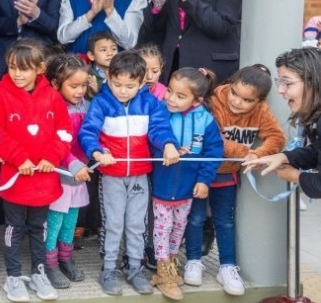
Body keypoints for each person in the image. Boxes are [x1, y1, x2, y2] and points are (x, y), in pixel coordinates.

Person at [79, 51, 178, 296]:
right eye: (117, 84)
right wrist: (97, 152)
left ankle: (135, 268)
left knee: (136, 224)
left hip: (140, 173)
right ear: (107, 78)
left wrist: (167, 144)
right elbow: (88, 132)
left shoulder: (151, 103)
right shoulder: (101, 103)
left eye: (130, 86)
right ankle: (109, 269)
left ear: (142, 82)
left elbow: (160, 128)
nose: (122, 90)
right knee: (113, 223)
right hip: (111, 174)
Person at [0, 39, 71, 302]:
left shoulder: (53, 97)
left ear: (40, 68)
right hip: (15, 178)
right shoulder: (0, 94)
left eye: (24, 68)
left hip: (45, 179)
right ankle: (13, 277)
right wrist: (18, 158)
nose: (17, 74)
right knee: (14, 227)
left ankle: (39, 272)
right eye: (12, 67)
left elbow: (64, 133)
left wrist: (51, 157)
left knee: (38, 227)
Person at [188, 64, 284, 296]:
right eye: (234, 93)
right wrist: (246, 153)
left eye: (247, 100)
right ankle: (192, 261)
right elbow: (215, 140)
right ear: (229, 85)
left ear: (259, 101)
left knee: (225, 220)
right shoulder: (213, 101)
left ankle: (227, 266)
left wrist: (258, 155)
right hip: (202, 171)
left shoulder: (261, 111)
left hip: (228, 174)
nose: (237, 102)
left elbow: (276, 137)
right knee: (196, 217)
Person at [150, 68, 223, 300]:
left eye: (180, 96)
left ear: (198, 100)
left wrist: (204, 180)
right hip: (163, 182)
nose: (171, 98)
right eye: (170, 91)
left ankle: (171, 265)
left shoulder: (206, 119)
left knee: (179, 227)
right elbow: (150, 137)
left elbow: (213, 152)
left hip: (188, 187)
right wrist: (166, 148)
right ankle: (163, 272)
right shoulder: (159, 110)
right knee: (162, 227)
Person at [43, 54, 93, 290]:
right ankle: (50, 263)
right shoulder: (52, 108)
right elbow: (56, 144)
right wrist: (74, 164)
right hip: (60, 173)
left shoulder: (87, 106)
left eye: (83, 85)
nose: (80, 91)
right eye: (73, 86)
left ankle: (66, 257)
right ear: (55, 83)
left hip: (79, 174)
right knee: (55, 221)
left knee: (71, 220)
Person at [86, 31, 118, 97]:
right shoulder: (88, 76)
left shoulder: (125, 72)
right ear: (91, 55)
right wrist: (95, 92)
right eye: (103, 50)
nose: (110, 53)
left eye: (114, 49)